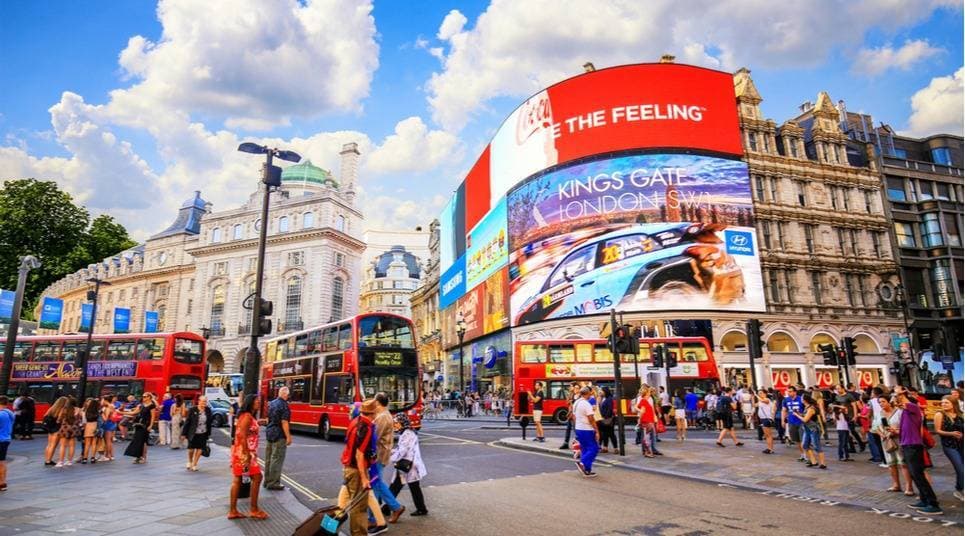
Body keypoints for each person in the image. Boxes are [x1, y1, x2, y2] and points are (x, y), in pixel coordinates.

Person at [893, 387, 942, 515]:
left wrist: (900, 393)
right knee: (914, 475)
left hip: (913, 445)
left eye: (898, 395)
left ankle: (933, 504)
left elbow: (904, 402)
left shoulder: (913, 407)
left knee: (918, 475)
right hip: (906, 445)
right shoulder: (905, 411)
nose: (895, 397)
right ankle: (924, 499)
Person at [341, 399, 378, 536]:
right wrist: (364, 478)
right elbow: (359, 455)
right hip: (356, 470)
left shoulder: (355, 422)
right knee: (359, 507)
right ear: (372, 413)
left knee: (354, 504)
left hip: (348, 467)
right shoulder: (366, 428)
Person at [228, 394, 268, 520]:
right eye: (256, 401)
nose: (258, 402)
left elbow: (247, 431)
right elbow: (241, 436)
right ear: (250, 402)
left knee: (238, 480)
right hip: (245, 454)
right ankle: (253, 509)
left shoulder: (247, 416)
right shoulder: (247, 416)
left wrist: (258, 423)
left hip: (242, 453)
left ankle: (233, 511)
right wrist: (246, 455)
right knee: (257, 477)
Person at [372, 393, 405, 523]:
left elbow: (374, 437)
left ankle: (395, 507)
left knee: (377, 483)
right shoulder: (383, 415)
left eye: (375, 401)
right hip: (380, 453)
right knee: (376, 484)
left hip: (379, 454)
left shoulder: (382, 417)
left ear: (378, 402)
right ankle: (374, 514)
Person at [389, 413, 428, 517]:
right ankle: (421, 509)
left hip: (408, 466)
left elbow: (403, 451)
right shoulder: (405, 432)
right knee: (400, 487)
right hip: (407, 466)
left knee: (396, 487)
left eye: (396, 423)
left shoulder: (407, 434)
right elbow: (401, 449)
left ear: (403, 423)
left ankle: (388, 507)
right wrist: (392, 451)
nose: (395, 424)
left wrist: (389, 459)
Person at [876, 395, 914, 495]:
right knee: (891, 464)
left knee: (903, 464)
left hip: (899, 439)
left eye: (883, 401)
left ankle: (909, 486)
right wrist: (882, 434)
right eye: (879, 402)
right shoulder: (880, 413)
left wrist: (895, 431)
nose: (881, 404)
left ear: (889, 402)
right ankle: (896, 484)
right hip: (886, 441)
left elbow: (906, 426)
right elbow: (875, 426)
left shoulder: (899, 412)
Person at [932, 395, 963, 501]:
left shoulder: (960, 415)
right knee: (960, 468)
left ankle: (959, 489)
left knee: (962, 469)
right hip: (949, 446)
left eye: (946, 403)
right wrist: (952, 434)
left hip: (962, 445)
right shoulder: (940, 414)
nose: (943, 404)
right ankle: (961, 490)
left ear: (953, 404)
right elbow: (937, 431)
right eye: (942, 403)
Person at [264, 386, 292, 490]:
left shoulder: (272, 403)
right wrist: (288, 437)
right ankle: (273, 482)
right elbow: (284, 422)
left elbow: (267, 419)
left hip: (270, 432)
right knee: (277, 458)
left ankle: (267, 481)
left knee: (269, 458)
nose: (288, 396)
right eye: (288, 394)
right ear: (285, 394)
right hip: (279, 434)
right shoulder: (284, 405)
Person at [794, 394, 826, 469]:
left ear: (805, 400)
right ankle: (813, 461)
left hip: (813, 429)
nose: (800, 400)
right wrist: (800, 414)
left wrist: (796, 415)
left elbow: (805, 419)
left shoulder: (811, 408)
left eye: (801, 398)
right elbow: (806, 416)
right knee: (805, 445)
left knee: (816, 446)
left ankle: (823, 463)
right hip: (807, 429)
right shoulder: (807, 407)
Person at [123, 393, 156, 464]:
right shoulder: (141, 405)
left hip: (145, 425)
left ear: (149, 397)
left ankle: (144, 457)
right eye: (143, 396)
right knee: (137, 440)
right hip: (139, 425)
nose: (143, 398)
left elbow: (153, 417)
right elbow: (134, 413)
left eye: (145, 396)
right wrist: (122, 412)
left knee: (144, 441)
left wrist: (150, 425)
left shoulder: (152, 406)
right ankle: (138, 456)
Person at [573, 386, 599, 477]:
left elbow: (574, 416)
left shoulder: (576, 402)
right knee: (594, 448)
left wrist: (577, 426)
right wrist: (596, 430)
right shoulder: (586, 404)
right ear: (588, 393)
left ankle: (587, 470)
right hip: (587, 429)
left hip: (579, 428)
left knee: (585, 449)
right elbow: (591, 419)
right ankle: (583, 463)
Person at [183, 396, 212, 471]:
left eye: (205, 401)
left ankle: (195, 464)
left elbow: (209, 422)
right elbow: (187, 422)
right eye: (202, 401)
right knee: (191, 449)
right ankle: (190, 461)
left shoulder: (208, 410)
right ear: (199, 401)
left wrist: (209, 433)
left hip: (203, 432)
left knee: (200, 448)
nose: (204, 403)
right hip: (193, 432)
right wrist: (183, 434)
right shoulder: (193, 410)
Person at [782, 386, 806, 461]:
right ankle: (802, 455)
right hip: (791, 422)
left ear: (795, 392)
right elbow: (784, 410)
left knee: (803, 440)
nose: (789, 393)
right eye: (788, 391)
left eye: (790, 391)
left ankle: (807, 456)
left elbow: (807, 408)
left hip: (801, 422)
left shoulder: (801, 399)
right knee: (797, 440)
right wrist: (783, 420)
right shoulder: (786, 400)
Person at [42, 397, 67, 466]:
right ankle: (49, 460)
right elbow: (59, 419)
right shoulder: (62, 409)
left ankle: (47, 459)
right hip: (57, 428)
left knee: (49, 444)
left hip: (50, 427)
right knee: (53, 445)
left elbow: (45, 416)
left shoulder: (52, 408)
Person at [55, 397, 79, 467]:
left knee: (63, 445)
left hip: (65, 428)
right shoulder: (78, 410)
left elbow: (58, 419)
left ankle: (61, 462)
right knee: (72, 445)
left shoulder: (64, 409)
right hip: (74, 428)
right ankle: (69, 461)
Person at [637, 387, 658, 458]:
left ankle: (647, 452)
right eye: (649, 392)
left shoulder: (646, 400)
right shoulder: (644, 401)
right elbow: (639, 409)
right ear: (646, 393)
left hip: (649, 421)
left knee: (648, 437)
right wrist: (640, 416)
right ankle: (647, 452)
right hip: (647, 421)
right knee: (647, 437)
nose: (650, 393)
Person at [559, 382, 580, 450]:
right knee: (568, 429)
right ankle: (566, 443)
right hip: (570, 414)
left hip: (576, 415)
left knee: (575, 429)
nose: (570, 388)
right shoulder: (572, 394)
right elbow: (567, 402)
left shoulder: (580, 396)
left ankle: (578, 444)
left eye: (571, 386)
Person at [81, 398, 100, 464]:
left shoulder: (86, 411)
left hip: (88, 427)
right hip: (95, 426)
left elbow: (84, 421)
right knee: (94, 444)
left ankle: (85, 458)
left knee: (87, 444)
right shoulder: (97, 412)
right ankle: (92, 458)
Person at [598, 386, 617, 452]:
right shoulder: (603, 398)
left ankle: (615, 448)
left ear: (605, 391)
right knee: (605, 434)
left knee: (611, 434)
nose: (600, 392)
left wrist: (605, 417)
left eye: (601, 390)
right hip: (603, 419)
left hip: (608, 419)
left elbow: (609, 409)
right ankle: (605, 447)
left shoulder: (609, 399)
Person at [0, 396, 13, 491]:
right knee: (2, 462)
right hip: (6, 439)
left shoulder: (1, 415)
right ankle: (2, 483)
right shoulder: (9, 413)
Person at [755, 389, 775, 454]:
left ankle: (770, 449)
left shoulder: (767, 399)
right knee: (766, 435)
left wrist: (756, 395)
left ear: (765, 393)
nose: (759, 394)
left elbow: (763, 401)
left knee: (768, 435)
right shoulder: (760, 401)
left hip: (767, 418)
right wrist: (753, 397)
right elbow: (754, 405)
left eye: (761, 393)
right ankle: (769, 448)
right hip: (762, 419)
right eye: (759, 393)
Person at [99, 395, 117, 461]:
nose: (101, 401)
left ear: (105, 400)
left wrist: (101, 413)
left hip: (108, 424)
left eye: (102, 400)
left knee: (107, 441)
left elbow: (105, 418)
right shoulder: (112, 405)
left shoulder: (108, 407)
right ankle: (111, 455)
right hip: (113, 423)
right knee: (110, 441)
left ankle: (108, 455)